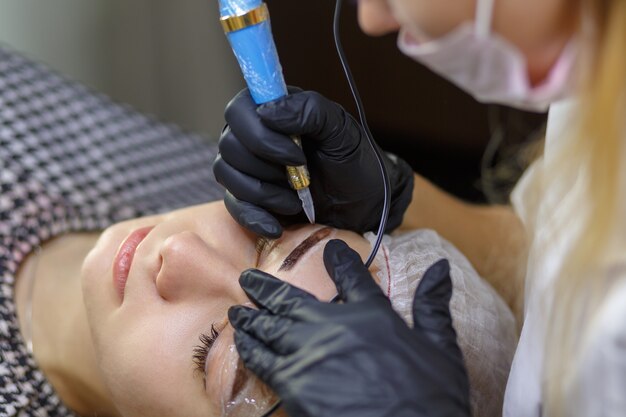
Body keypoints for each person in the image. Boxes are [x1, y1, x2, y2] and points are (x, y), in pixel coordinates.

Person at [0, 45, 516, 416]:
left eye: (216, 353)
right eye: (272, 243)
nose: (178, 251)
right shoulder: (186, 175)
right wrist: (393, 192)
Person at [214, 0, 626, 416]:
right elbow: (551, 260)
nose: (372, 20)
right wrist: (392, 200)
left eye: (214, 357)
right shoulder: (605, 71)